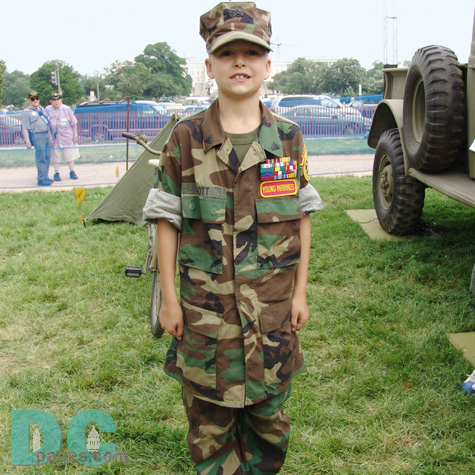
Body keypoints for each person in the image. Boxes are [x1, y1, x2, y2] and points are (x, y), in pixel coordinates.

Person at [143, 2, 323, 473]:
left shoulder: (288, 138)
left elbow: (302, 218)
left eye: (251, 53)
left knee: (270, 424)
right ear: (209, 66)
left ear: (268, 65)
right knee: (209, 427)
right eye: (227, 53)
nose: (240, 62)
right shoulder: (185, 139)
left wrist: (300, 292)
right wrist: (169, 302)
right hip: (206, 321)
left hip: (271, 317)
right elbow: (166, 221)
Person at [21, 91, 53, 186]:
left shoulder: (42, 109)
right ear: (29, 100)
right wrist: (27, 140)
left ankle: (46, 177)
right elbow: (25, 127)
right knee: (41, 157)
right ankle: (41, 179)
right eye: (32, 99)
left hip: (46, 134)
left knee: (47, 157)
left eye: (37, 98)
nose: (35, 100)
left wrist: (50, 137)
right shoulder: (27, 111)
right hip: (37, 135)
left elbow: (47, 123)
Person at [45, 92, 79, 181]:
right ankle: (56, 172)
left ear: (61, 100)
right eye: (54, 100)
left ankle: (72, 171)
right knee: (56, 156)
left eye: (58, 99)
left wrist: (75, 135)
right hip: (55, 137)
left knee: (69, 155)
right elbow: (47, 125)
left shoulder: (66, 109)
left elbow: (74, 123)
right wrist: (50, 137)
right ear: (51, 101)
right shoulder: (48, 110)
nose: (56, 101)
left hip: (67, 136)